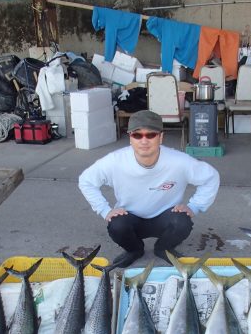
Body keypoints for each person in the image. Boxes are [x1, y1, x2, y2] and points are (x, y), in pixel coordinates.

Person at [78, 109, 220, 267]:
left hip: (166, 218)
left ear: (161, 137)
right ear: (130, 138)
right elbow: (86, 180)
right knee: (117, 225)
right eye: (137, 135)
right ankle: (134, 250)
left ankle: (163, 249)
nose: (144, 141)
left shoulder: (180, 161)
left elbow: (211, 177)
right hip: (130, 218)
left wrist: (195, 206)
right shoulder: (114, 161)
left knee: (182, 221)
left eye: (150, 135)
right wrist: (104, 210)